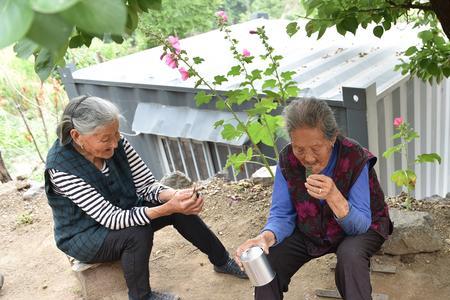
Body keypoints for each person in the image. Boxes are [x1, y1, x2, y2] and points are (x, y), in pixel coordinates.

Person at [44, 95, 247, 300]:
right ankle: (141, 296)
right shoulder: (61, 169)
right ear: (77, 136)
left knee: (171, 206)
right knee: (137, 231)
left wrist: (176, 196)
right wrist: (168, 208)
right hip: (85, 235)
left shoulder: (118, 142)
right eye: (106, 138)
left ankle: (222, 261)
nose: (115, 143)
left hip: (122, 209)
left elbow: (146, 186)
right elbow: (112, 219)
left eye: (116, 133)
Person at [235, 98, 393, 300]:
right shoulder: (287, 160)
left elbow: (360, 225)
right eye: (299, 149)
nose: (308, 158)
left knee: (350, 257)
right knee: (269, 261)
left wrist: (334, 196)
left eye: (316, 148)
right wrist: (266, 236)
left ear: (332, 138)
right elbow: (282, 215)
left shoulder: (354, 157)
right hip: (310, 229)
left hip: (362, 225)